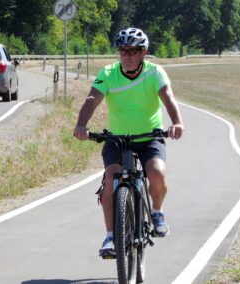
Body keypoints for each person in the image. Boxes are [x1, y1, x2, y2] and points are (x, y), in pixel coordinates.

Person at [74, 27, 184, 258]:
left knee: (156, 173)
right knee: (110, 180)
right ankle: (111, 236)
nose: (127, 55)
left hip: (149, 137)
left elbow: (168, 98)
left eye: (133, 51)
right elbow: (92, 99)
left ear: (144, 53)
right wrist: (81, 124)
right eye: (123, 50)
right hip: (117, 139)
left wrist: (177, 122)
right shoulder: (108, 72)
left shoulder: (155, 73)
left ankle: (156, 212)